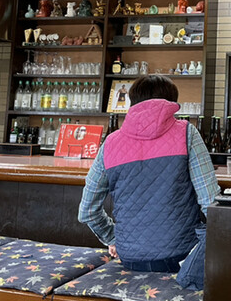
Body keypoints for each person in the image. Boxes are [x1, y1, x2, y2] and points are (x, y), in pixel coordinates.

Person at [78, 74, 220, 283]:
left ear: (132, 101)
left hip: (130, 258)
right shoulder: (187, 133)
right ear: (172, 102)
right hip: (182, 257)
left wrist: (114, 238)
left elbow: (87, 212)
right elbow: (212, 204)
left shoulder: (110, 143)